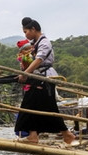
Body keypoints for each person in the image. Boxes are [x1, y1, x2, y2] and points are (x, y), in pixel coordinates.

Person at [14, 17, 77, 146]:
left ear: (33, 29)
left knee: (35, 105)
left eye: (26, 31)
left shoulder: (45, 43)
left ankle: (63, 134)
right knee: (38, 106)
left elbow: (39, 60)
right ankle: (40, 135)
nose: (25, 34)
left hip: (44, 79)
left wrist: (25, 74)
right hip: (38, 78)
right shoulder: (34, 43)